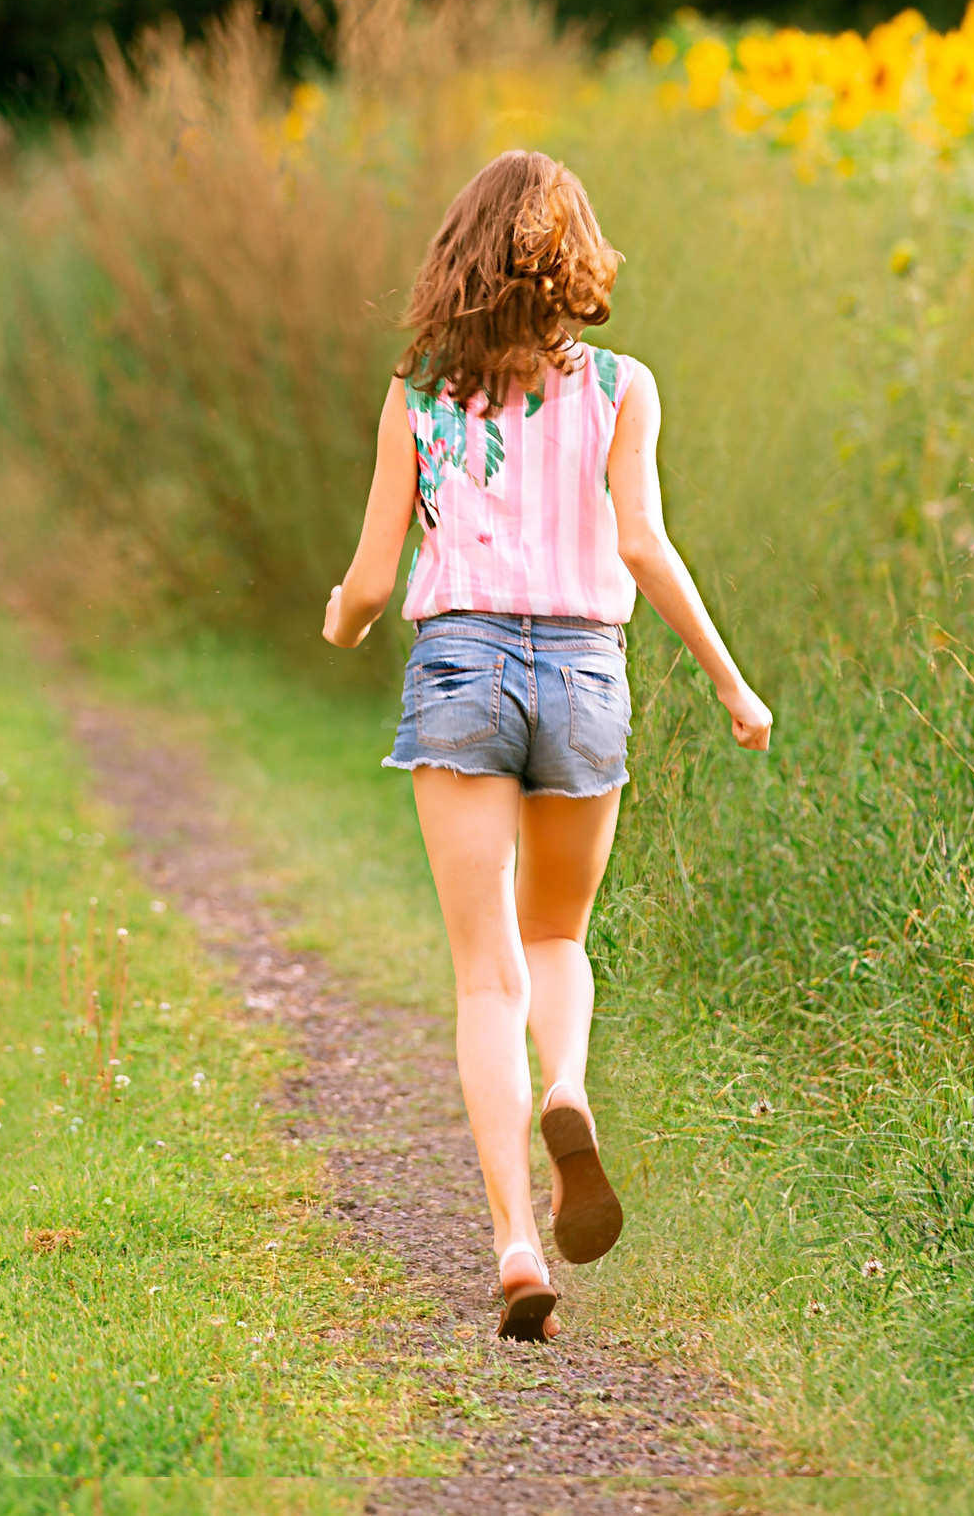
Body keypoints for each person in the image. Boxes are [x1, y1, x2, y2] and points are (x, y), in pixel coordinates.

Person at [323, 151, 772, 1341]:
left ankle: (518, 1245)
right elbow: (644, 548)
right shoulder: (624, 387)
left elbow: (373, 575)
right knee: (559, 933)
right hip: (584, 669)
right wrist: (730, 680)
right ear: (577, 263)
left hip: (462, 667)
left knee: (484, 976)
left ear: (456, 263)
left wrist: (343, 616)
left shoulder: (417, 391)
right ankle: (567, 1084)